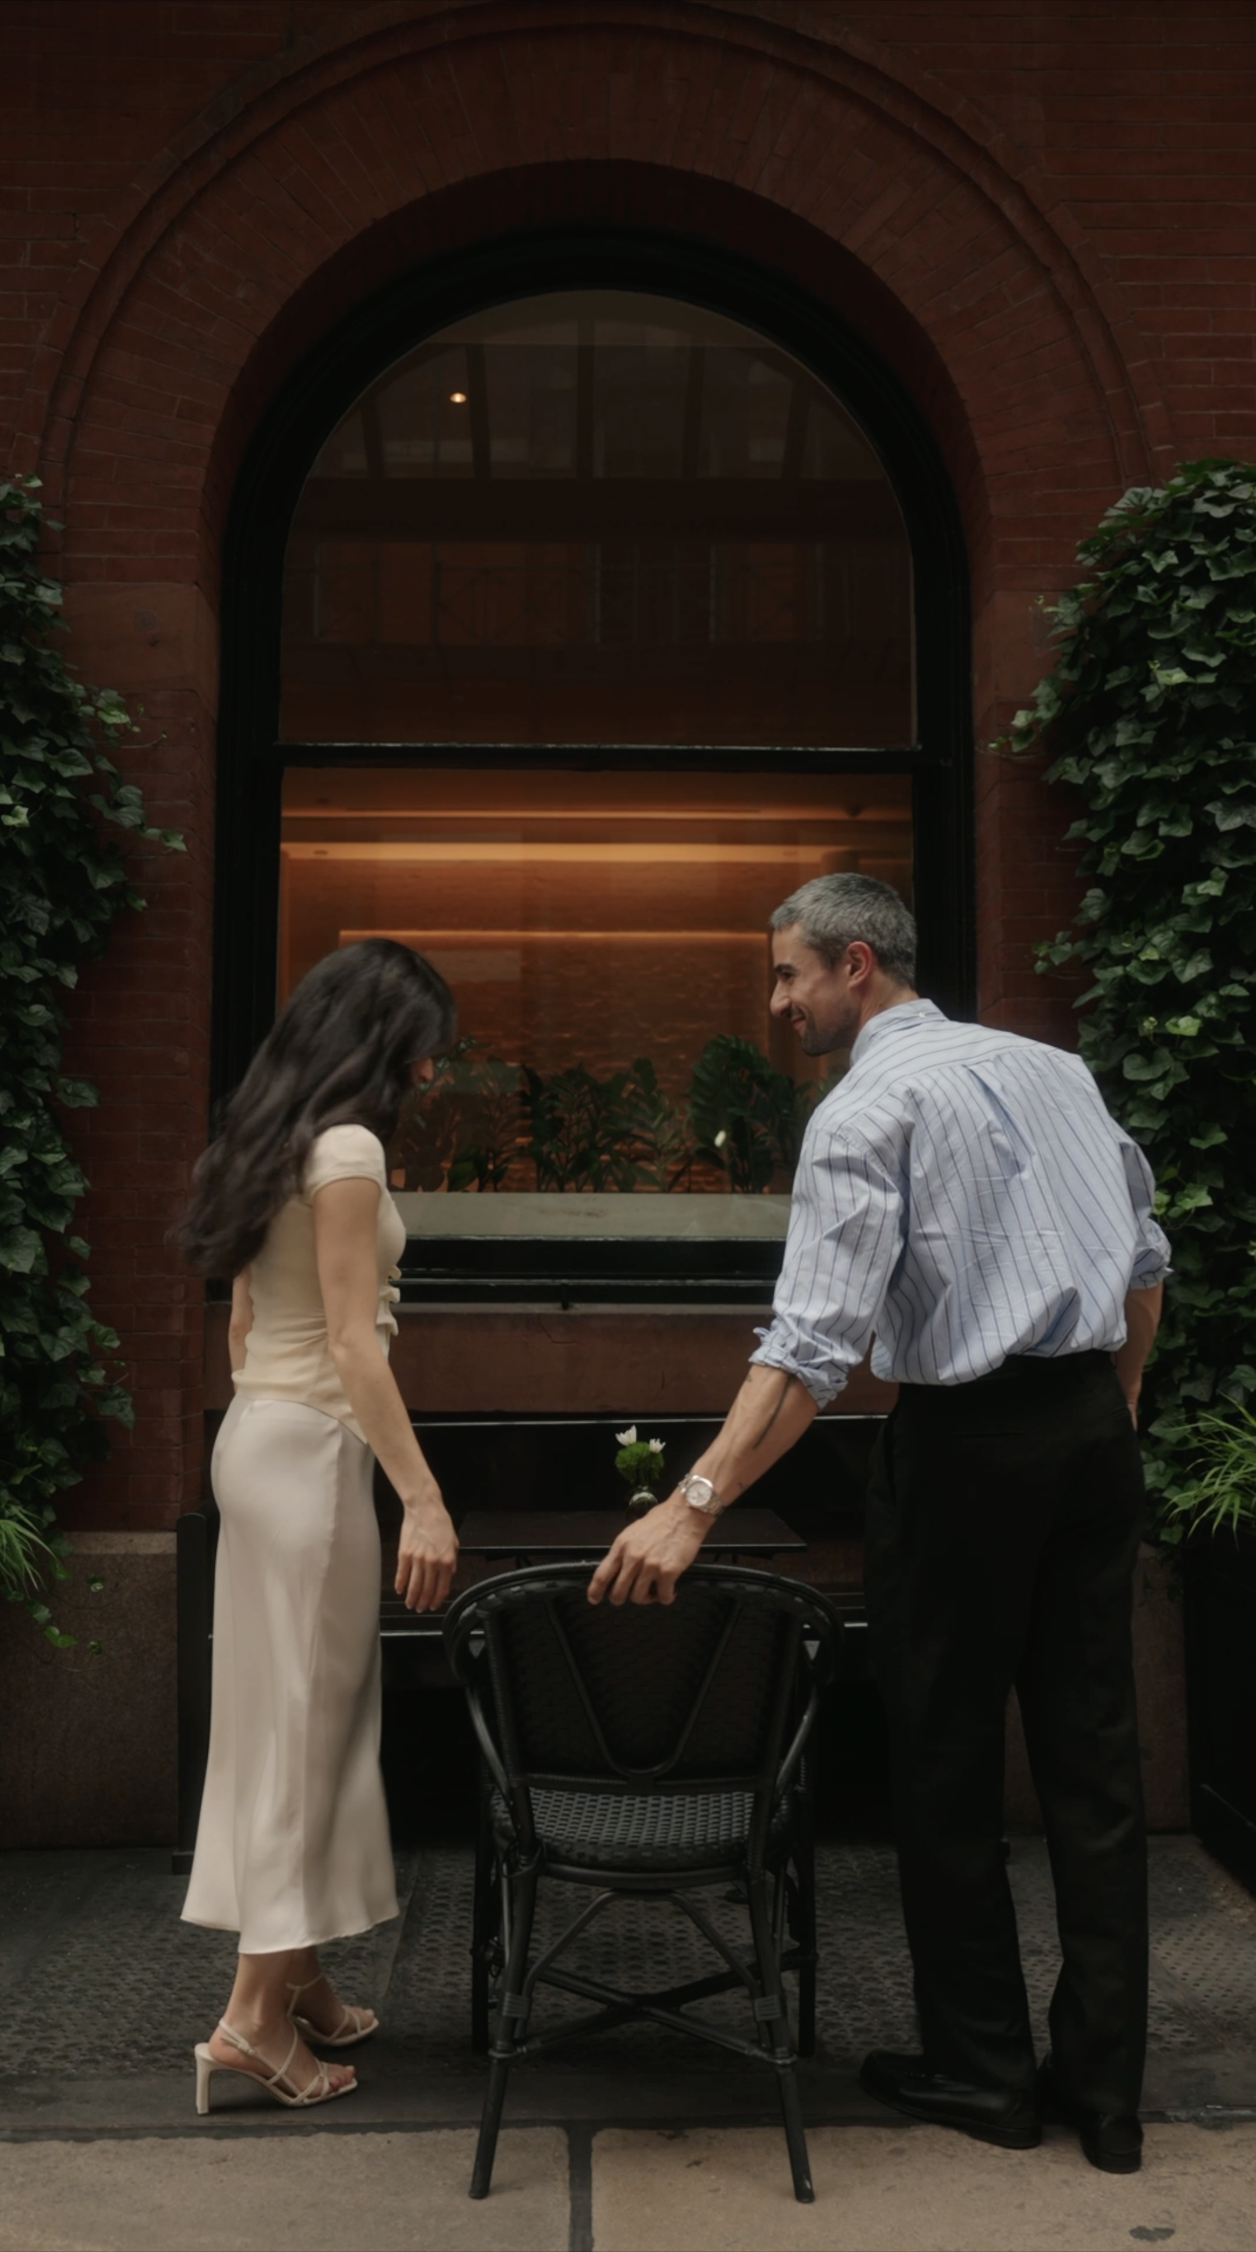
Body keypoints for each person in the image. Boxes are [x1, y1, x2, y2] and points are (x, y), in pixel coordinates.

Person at [588, 873, 1169, 2177]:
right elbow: (1145, 1260)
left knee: (949, 1764)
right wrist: (1116, 1400)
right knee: (1097, 1769)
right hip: (1086, 1436)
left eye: (788, 973)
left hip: (965, 1448)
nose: (776, 999)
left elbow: (812, 1351)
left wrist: (692, 1504)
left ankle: (983, 2074)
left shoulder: (868, 1104)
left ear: (859, 964)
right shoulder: (1050, 1066)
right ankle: (1109, 2096)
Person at [176, 938, 460, 2113]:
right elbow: (352, 1339)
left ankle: (297, 1980)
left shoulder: (265, 1134)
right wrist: (424, 1496)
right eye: (424, 1050)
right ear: (383, 1039)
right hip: (309, 1451)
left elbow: (246, 1322)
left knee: (274, 1724)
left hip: (256, 1436)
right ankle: (250, 2019)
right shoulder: (347, 1148)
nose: (430, 1075)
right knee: (309, 1737)